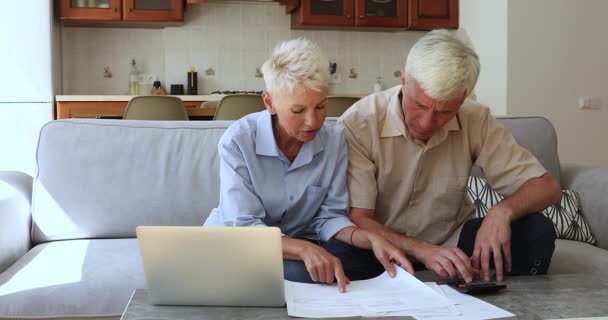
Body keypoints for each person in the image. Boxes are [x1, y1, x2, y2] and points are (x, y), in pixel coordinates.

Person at [337, 30, 561, 283]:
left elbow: (547, 187)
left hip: (452, 244)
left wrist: (501, 212)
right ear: (403, 79)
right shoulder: (359, 123)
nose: (426, 122)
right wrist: (422, 250)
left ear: (463, 99)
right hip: (381, 245)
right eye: (420, 105)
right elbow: (358, 217)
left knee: (537, 232)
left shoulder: (475, 118)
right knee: (338, 252)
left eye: (444, 112)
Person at [204, 38, 413, 293]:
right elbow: (244, 226)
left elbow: (329, 217)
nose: (312, 121)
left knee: (361, 265)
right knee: (308, 274)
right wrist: (304, 249)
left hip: (298, 251)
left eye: (321, 106)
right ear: (269, 102)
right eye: (298, 110)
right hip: (240, 247)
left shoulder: (334, 140)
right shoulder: (238, 141)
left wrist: (368, 238)